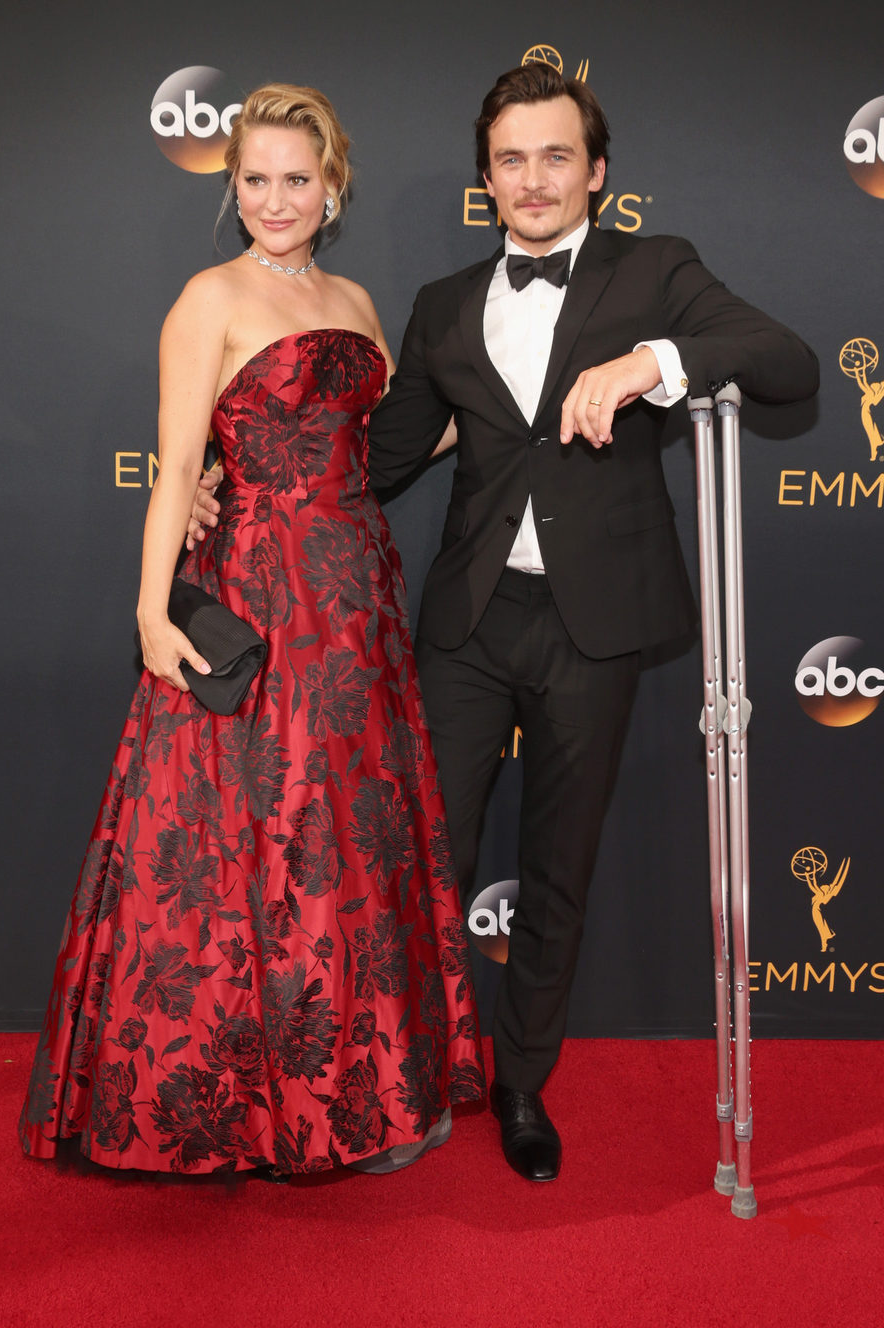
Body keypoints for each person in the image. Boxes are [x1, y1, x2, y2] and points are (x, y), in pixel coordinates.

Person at [190, 64, 819, 1185]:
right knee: (417, 858)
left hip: (600, 624)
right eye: (512, 160)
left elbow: (787, 365)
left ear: (598, 171)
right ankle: (415, 1069)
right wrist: (215, 478)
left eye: (556, 156)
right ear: (488, 179)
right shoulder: (438, 306)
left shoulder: (657, 269)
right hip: (464, 627)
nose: (533, 180)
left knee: (558, 867)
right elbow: (360, 459)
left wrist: (649, 362)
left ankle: (523, 1079)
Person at [19, 82, 484, 1178]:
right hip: (259, 595)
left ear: (333, 187)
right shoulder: (208, 298)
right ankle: (235, 1103)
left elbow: (386, 446)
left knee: (348, 834)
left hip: (358, 594)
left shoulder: (362, 301)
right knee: (252, 835)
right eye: (256, 179)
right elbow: (180, 464)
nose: (277, 199)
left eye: (298, 179)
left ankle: (355, 1093)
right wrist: (148, 607)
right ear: (232, 189)